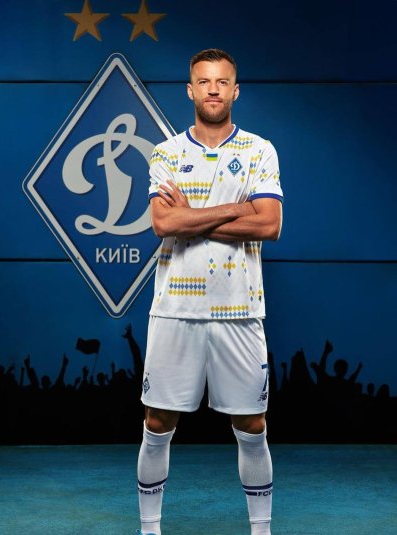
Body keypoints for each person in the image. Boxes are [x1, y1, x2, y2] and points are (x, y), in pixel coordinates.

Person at [136, 48, 283, 535]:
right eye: (204, 81)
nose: (213, 89)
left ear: (235, 90)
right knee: (158, 422)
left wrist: (192, 216)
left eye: (222, 82)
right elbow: (163, 223)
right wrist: (237, 208)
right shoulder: (165, 154)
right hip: (175, 308)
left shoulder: (260, 151)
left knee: (252, 425)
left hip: (240, 309)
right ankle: (149, 529)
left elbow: (270, 225)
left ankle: (261, 531)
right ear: (190, 90)